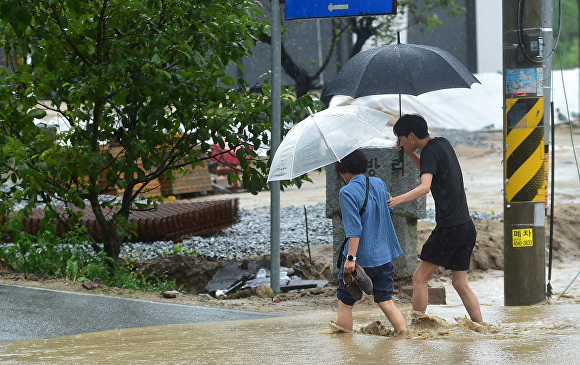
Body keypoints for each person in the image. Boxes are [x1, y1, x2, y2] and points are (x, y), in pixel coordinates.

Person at [387, 114, 483, 323]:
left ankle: (418, 326)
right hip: (466, 226)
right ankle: (480, 326)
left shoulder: (429, 152)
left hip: (449, 228)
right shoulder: (442, 144)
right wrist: (409, 153)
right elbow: (429, 170)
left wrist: (396, 200)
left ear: (411, 135)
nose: (400, 143)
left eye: (401, 139)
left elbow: (425, 186)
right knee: (460, 283)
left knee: (419, 278)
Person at [335, 149, 407, 333]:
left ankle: (346, 353)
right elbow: (387, 210)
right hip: (383, 255)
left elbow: (354, 228)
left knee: (345, 303)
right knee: (386, 300)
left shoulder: (347, 192)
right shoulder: (378, 183)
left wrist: (351, 258)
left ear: (342, 170)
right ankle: (404, 337)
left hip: (360, 258)